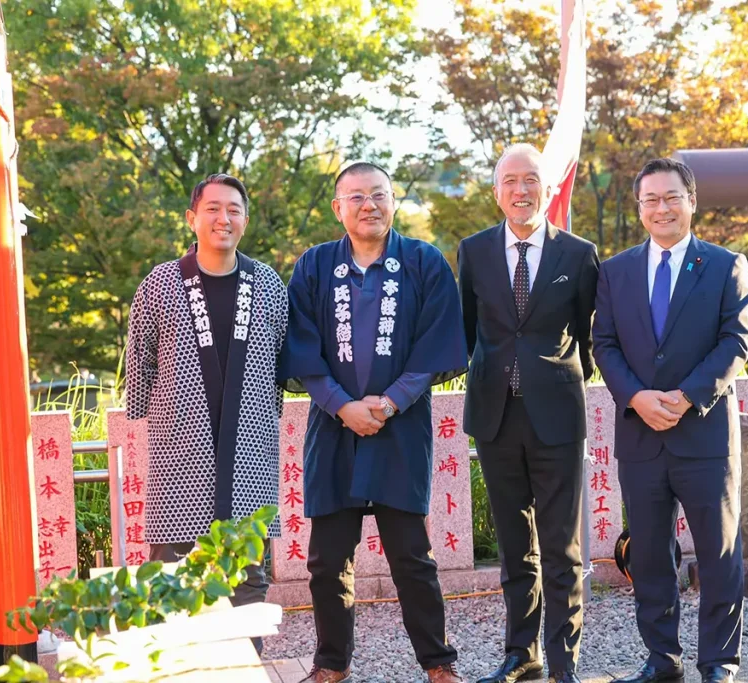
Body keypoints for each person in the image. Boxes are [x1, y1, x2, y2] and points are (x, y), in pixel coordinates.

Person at [279, 161, 468, 683]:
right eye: (357, 197)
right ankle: (330, 664)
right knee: (327, 559)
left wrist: (388, 403)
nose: (369, 205)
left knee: (412, 555)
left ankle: (438, 664)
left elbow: (436, 347)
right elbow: (301, 349)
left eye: (379, 195)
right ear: (338, 207)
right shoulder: (314, 267)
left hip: (401, 429)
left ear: (393, 201)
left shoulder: (424, 262)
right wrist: (343, 406)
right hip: (332, 428)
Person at [593, 158, 748, 683]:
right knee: (651, 555)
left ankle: (718, 663)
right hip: (640, 437)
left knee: (718, 554)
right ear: (639, 208)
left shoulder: (726, 265)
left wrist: (686, 397)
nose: (661, 208)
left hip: (703, 434)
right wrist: (637, 397)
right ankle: (663, 659)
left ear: (690, 201)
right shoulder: (615, 272)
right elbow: (605, 344)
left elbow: (736, 342)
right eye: (650, 200)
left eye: (671, 197)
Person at [125, 173, 289, 654]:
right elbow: (142, 355)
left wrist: (267, 410)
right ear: (192, 218)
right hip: (180, 446)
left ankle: (245, 666)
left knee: (248, 572)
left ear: (245, 219)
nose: (224, 218)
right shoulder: (161, 282)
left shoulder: (268, 284)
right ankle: (175, 664)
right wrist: (143, 411)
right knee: (169, 572)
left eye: (234, 209)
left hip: (249, 447)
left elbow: (281, 359)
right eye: (213, 208)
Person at [458, 143, 599, 683]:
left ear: (548, 187)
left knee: (562, 546)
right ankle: (523, 653)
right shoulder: (473, 251)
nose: (521, 190)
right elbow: (471, 330)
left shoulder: (578, 254)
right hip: (495, 415)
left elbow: (588, 339)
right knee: (515, 546)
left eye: (531, 180)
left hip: (557, 418)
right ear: (497, 193)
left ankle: (565, 661)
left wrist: (556, 380)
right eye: (510, 181)